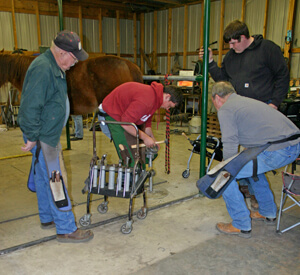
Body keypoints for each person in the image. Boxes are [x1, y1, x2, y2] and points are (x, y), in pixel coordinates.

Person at [199, 20, 290, 208]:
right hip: (240, 112)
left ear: (243, 37)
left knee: (257, 157)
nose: (231, 47)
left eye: (233, 43)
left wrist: (274, 103)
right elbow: (223, 79)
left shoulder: (267, 49)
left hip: (263, 110)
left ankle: (257, 197)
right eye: (229, 44)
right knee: (247, 156)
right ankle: (249, 188)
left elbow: (283, 75)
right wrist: (210, 62)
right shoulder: (232, 57)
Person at [17, 30, 94, 243]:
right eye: (73, 57)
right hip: (43, 135)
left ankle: (48, 217)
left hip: (46, 133)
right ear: (61, 52)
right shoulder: (44, 68)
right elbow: (29, 106)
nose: (75, 62)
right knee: (56, 180)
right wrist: (33, 136)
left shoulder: (55, 66)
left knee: (43, 178)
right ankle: (66, 228)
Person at [211, 81, 300, 238]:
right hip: (293, 145)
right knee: (254, 170)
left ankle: (240, 224)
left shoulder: (226, 109)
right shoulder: (246, 101)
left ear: (217, 98)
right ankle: (268, 212)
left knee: (222, 176)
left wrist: (226, 166)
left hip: (279, 150)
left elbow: (230, 141)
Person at [98, 81, 182, 166]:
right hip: (111, 113)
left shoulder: (155, 100)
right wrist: (145, 138)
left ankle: (133, 173)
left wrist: (153, 140)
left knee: (142, 152)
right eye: (169, 106)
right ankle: (127, 175)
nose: (167, 109)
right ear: (168, 97)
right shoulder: (147, 100)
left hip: (124, 117)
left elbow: (146, 124)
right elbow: (126, 124)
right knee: (130, 155)